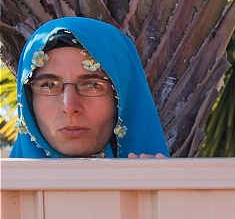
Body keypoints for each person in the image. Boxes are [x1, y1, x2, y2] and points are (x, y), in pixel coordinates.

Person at [10, 17, 169, 158]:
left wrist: (157, 188)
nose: (70, 107)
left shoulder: (167, 189)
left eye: (93, 85)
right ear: (28, 100)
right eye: (48, 85)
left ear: (124, 98)